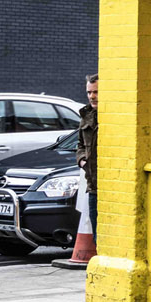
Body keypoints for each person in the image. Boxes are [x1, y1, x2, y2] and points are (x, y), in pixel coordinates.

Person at [56, 74, 98, 270]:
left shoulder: (115, 117)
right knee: (97, 233)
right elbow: (80, 144)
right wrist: (81, 159)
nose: (92, 96)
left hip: (111, 186)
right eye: (89, 92)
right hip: (93, 185)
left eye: (96, 92)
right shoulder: (86, 115)